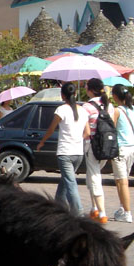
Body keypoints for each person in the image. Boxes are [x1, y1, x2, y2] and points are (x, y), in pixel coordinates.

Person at [36, 83, 90, 216]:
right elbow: (87, 132)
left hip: (65, 152)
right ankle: (58, 205)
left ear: (63, 95)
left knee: (70, 182)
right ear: (76, 94)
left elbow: (51, 129)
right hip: (78, 152)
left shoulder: (61, 110)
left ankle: (78, 212)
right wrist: (77, 139)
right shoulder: (83, 111)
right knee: (66, 179)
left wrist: (42, 142)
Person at [110, 85, 134, 223]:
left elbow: (110, 128)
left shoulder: (117, 111)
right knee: (120, 181)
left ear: (115, 96)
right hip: (132, 149)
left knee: (122, 182)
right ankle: (123, 209)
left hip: (121, 149)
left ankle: (128, 213)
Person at [82, 78, 115, 223]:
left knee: (95, 177)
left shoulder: (86, 107)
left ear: (91, 90)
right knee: (92, 175)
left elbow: (85, 129)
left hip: (92, 146)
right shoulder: (109, 105)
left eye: (86, 86)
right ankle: (94, 208)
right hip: (107, 146)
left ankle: (102, 212)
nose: (84, 88)